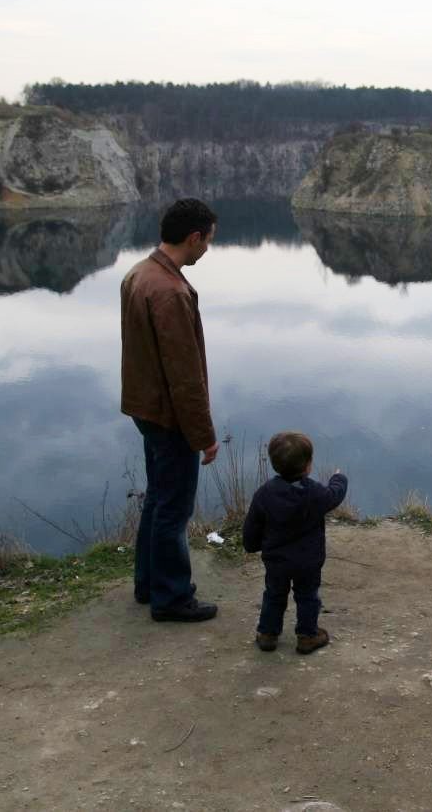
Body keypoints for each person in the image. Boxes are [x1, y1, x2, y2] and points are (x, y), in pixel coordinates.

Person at [119, 198, 221, 622]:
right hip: (169, 415)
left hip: (145, 407)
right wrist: (205, 436)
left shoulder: (138, 274)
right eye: (208, 241)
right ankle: (172, 597)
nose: (208, 250)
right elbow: (184, 377)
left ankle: (148, 584)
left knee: (158, 499)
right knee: (174, 509)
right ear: (193, 237)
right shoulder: (170, 291)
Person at [242, 432, 348, 654]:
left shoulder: (264, 494)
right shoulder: (314, 493)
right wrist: (339, 478)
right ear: (308, 466)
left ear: (274, 464)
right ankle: (307, 636)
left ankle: (268, 634)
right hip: (308, 561)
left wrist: (251, 545)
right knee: (308, 596)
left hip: (276, 561)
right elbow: (334, 495)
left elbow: (252, 526)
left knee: (273, 594)